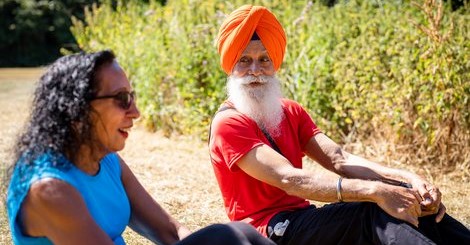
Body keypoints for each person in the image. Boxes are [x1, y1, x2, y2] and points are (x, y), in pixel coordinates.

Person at [208, 5, 470, 245]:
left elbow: (339, 159)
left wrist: (408, 182)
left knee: (403, 197)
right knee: (371, 208)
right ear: (231, 64)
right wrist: (375, 191)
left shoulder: (289, 110)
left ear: (274, 63)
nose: (256, 69)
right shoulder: (228, 123)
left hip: (303, 219)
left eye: (264, 59)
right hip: (269, 232)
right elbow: (290, 179)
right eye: (245, 60)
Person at [5, 50, 276, 245]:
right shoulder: (49, 189)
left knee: (238, 234)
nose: (135, 112)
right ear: (77, 109)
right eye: (122, 99)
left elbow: (169, 232)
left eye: (132, 97)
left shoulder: (106, 159)